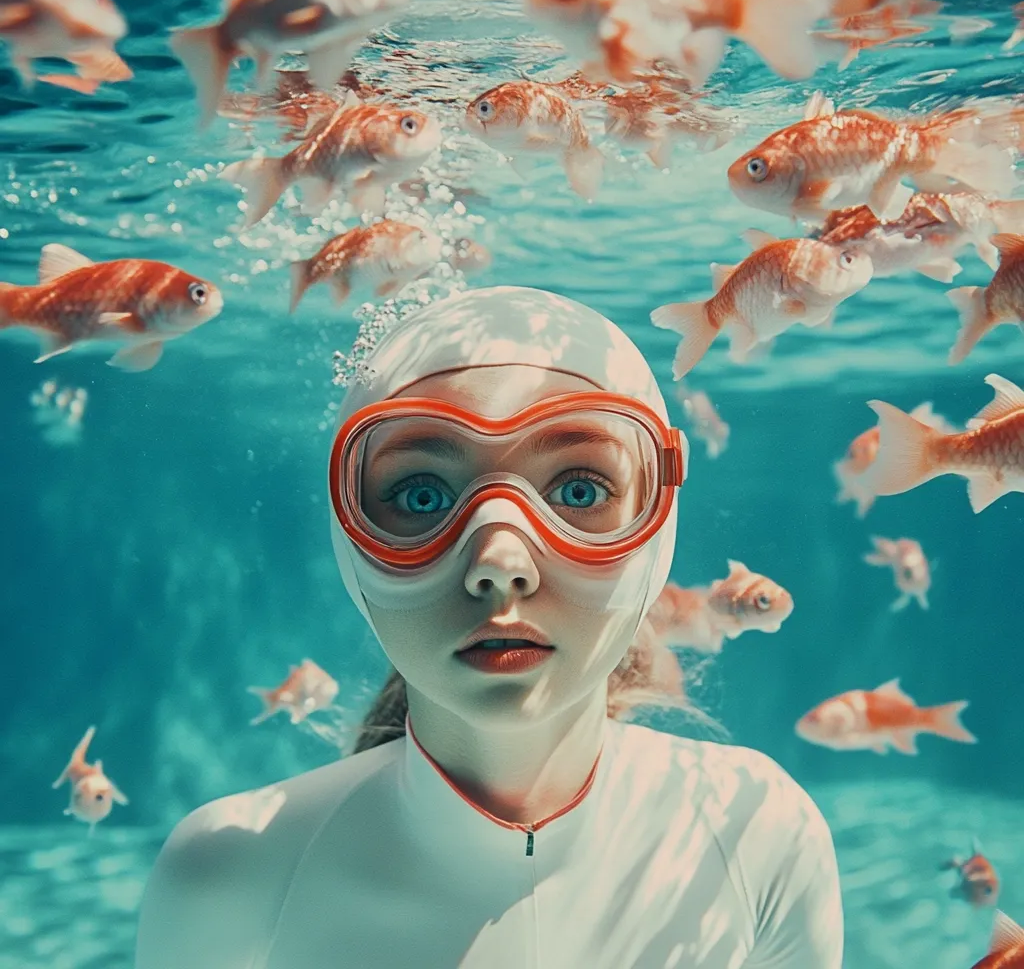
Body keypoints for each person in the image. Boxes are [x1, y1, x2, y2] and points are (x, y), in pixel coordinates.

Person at [135, 285, 843, 969]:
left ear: (657, 527)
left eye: (579, 491)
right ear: (348, 538)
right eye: (421, 496)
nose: (500, 565)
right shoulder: (228, 873)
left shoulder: (758, 828)